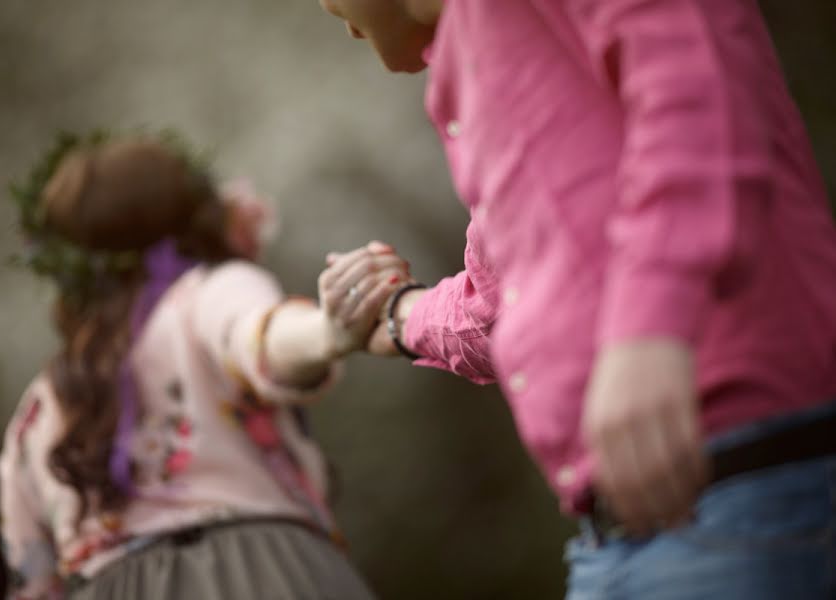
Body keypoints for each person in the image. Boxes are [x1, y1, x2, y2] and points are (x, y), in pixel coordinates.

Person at [315, 1, 836, 597]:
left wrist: (648, 332)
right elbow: (504, 301)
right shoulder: (474, 59)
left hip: (743, 481)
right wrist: (394, 313)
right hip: (615, 538)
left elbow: (696, 88)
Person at [0, 132, 407, 599]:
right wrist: (329, 333)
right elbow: (262, 338)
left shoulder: (33, 413)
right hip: (261, 575)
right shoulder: (205, 295)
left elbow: (31, 580)